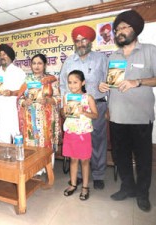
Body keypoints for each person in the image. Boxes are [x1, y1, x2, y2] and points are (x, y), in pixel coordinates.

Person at [99, 10, 156, 212]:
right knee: (121, 157)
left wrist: (137, 81)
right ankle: (127, 187)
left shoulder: (149, 50)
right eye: (117, 28)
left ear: (135, 29)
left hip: (140, 117)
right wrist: (105, 88)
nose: (119, 32)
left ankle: (142, 193)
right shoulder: (113, 55)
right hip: (117, 117)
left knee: (143, 158)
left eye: (124, 27)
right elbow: (112, 83)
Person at [59, 25, 108, 190]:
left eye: (83, 39)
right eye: (77, 40)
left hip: (96, 107)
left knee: (97, 142)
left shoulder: (101, 59)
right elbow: (62, 85)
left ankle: (99, 175)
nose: (80, 43)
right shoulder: (69, 61)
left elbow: (110, 82)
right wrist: (65, 107)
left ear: (90, 40)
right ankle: (78, 176)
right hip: (74, 110)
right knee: (77, 143)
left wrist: (106, 89)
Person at [17, 54, 61, 170]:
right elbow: (20, 98)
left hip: (46, 118)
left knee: (46, 142)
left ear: (45, 65)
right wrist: (24, 102)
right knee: (32, 142)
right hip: (30, 119)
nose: (36, 66)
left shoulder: (51, 80)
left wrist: (48, 100)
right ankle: (34, 170)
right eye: (34, 63)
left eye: (40, 63)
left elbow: (58, 97)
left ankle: (48, 169)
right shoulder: (26, 80)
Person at [62, 70, 98, 200]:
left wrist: (84, 112)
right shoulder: (67, 97)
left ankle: (85, 187)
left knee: (84, 161)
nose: (72, 85)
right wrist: (64, 111)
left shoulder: (88, 98)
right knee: (73, 160)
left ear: (83, 82)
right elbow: (64, 114)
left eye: (75, 82)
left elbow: (95, 115)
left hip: (83, 134)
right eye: (70, 82)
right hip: (70, 133)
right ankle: (73, 184)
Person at [0, 44, 26, 143]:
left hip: (15, 112)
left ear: (10, 56)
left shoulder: (19, 72)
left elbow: (24, 93)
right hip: (1, 113)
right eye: (0, 54)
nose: (2, 57)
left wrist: (12, 93)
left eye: (4, 54)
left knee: (17, 137)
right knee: (2, 140)